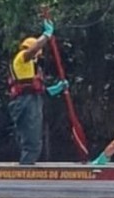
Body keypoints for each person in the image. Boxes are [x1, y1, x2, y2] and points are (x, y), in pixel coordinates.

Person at [7, 18, 69, 165]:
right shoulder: (22, 58)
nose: (38, 57)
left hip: (33, 100)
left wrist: (57, 88)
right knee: (32, 141)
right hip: (24, 102)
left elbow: (39, 90)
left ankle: (27, 164)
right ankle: (25, 169)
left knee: (33, 139)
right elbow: (32, 51)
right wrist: (46, 35)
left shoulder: (32, 68)